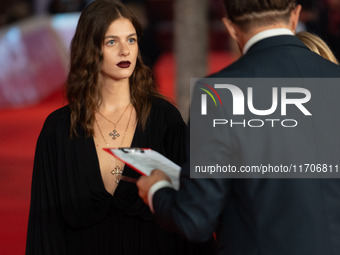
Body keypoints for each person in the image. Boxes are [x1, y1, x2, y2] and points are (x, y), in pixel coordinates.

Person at [137, 0, 340, 255]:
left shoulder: (217, 94)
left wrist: (157, 189)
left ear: (231, 27)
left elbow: (196, 219)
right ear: (295, 15)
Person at [25, 0, 215, 254]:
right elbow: (45, 229)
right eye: (112, 41)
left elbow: (188, 214)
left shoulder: (165, 120)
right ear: (89, 49)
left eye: (131, 40)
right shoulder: (58, 130)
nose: (125, 51)